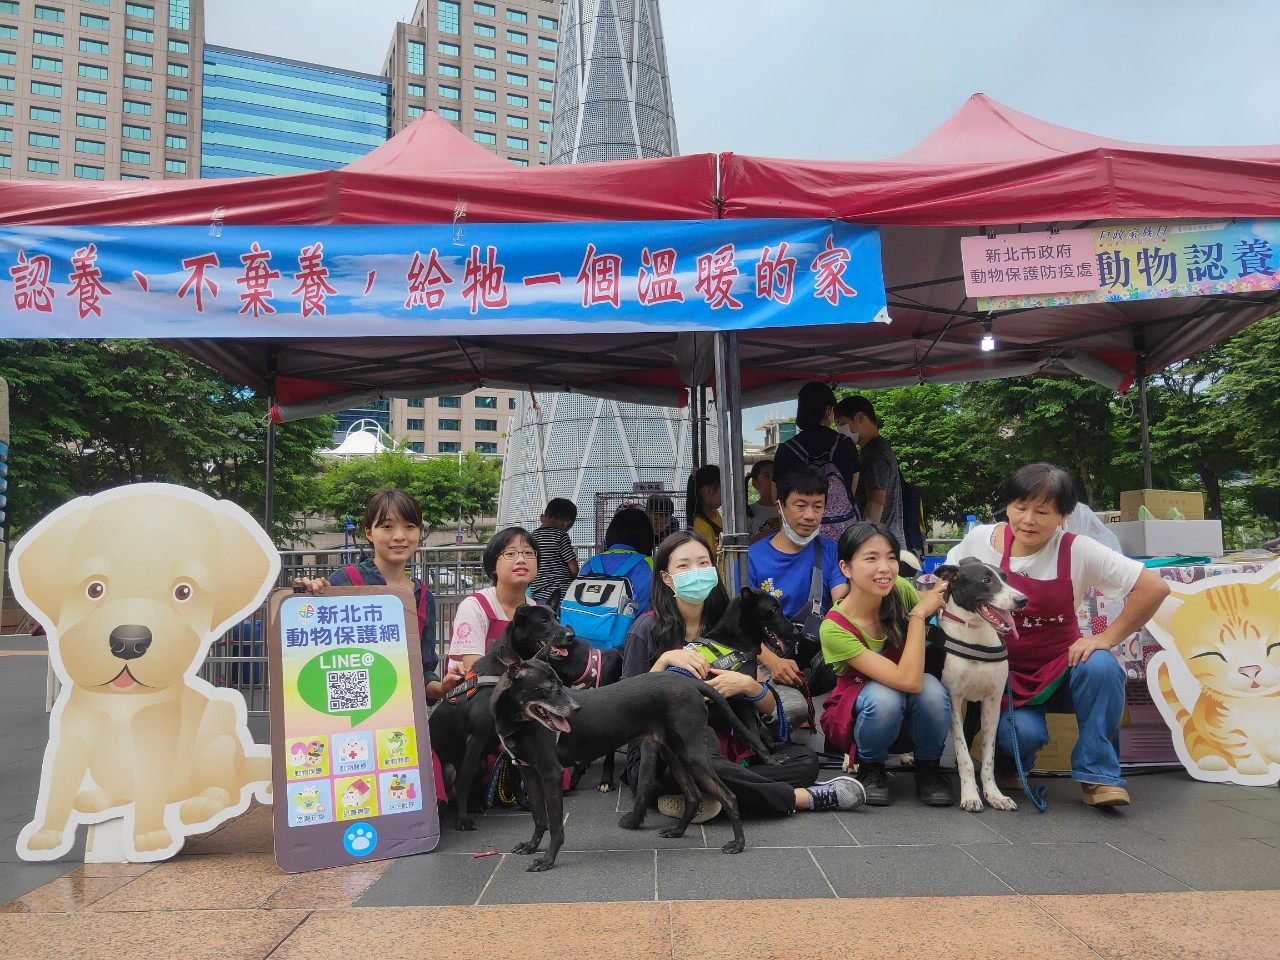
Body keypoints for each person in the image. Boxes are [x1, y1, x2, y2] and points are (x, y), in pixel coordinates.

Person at [945, 463, 1171, 807]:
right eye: (1020, 508)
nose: (1028, 520)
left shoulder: (1079, 550)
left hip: (1063, 667)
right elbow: (944, 586)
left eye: (1042, 512)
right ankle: (1010, 765)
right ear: (1007, 506)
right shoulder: (981, 541)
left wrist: (1106, 639)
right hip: (1005, 674)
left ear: (1064, 516)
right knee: (1019, 735)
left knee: (1102, 667)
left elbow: (1154, 588)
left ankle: (1098, 776)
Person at [622, 530, 865, 822]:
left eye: (703, 563)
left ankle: (705, 795)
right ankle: (802, 798)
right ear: (666, 578)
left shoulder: (731, 626)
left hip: (728, 744)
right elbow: (627, 708)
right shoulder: (646, 628)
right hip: (665, 751)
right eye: (684, 566)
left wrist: (750, 686)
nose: (696, 572)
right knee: (695, 762)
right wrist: (663, 661)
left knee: (805, 762)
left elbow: (768, 706)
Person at [819, 522, 954, 807]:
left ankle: (929, 768)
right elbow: (907, 681)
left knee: (932, 690)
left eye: (891, 557)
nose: (885, 568)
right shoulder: (834, 627)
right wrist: (918, 616)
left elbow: (933, 602)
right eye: (871, 558)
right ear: (845, 568)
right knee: (886, 695)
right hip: (860, 721)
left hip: (906, 718)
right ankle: (871, 767)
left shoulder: (900, 589)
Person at [294, 489, 461, 701]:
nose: (399, 536)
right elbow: (310, 651)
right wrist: (306, 596)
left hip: (399, 713)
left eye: (410, 526)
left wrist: (443, 687)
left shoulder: (422, 596)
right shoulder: (345, 582)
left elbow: (423, 673)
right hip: (346, 709)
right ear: (369, 533)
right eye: (387, 526)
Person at [747, 467, 849, 719]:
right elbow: (741, 625)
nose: (810, 516)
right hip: (765, 659)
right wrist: (772, 661)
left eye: (818, 506)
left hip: (819, 658)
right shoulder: (753, 557)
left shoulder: (831, 551)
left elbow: (843, 601)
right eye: (800, 505)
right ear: (780, 507)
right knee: (789, 712)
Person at [772, 382, 861, 541]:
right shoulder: (845, 444)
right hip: (843, 537)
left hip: (801, 537)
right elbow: (850, 493)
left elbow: (778, 497)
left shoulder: (786, 449)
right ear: (829, 411)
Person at [447, 526, 540, 672]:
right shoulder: (475, 607)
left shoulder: (537, 611)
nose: (521, 559)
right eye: (510, 553)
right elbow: (475, 670)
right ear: (493, 566)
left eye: (528, 553)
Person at [835, 395, 904, 545]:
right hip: (887, 542)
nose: (839, 430)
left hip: (880, 544)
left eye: (841, 424)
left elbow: (875, 503)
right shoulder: (874, 449)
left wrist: (862, 542)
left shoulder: (875, 455)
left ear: (860, 418)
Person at [578, 507, 656, 612]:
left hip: (587, 622)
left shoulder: (589, 563)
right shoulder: (650, 564)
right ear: (646, 536)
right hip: (637, 622)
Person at [529, 498, 579, 606]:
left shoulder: (531, 538)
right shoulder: (561, 536)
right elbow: (574, 568)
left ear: (542, 517)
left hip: (538, 595)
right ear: (567, 524)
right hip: (560, 595)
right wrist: (575, 578)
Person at [685, 464, 723, 555]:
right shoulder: (703, 528)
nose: (725, 494)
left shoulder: (714, 513)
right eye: (722, 489)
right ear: (708, 491)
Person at [746, 459, 781, 543]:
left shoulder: (786, 508)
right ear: (755, 483)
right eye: (767, 477)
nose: (772, 481)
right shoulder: (749, 511)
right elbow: (744, 545)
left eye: (775, 476)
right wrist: (760, 537)